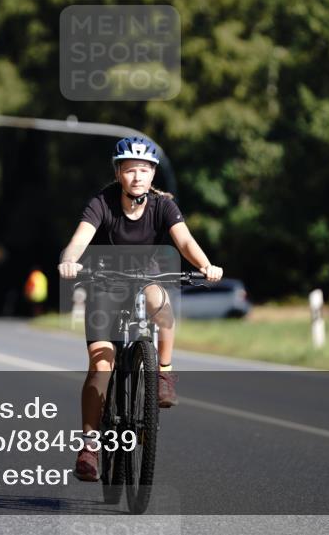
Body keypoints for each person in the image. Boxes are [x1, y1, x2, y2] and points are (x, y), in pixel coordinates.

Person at [58, 136, 223, 482]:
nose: (137, 177)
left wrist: (207, 265)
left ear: (153, 175)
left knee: (159, 302)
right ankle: (89, 446)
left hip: (145, 280)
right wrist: (70, 260)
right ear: (119, 173)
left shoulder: (163, 206)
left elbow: (186, 241)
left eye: (145, 170)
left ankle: (163, 371)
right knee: (101, 364)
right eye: (131, 170)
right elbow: (79, 239)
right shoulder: (102, 202)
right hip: (104, 284)